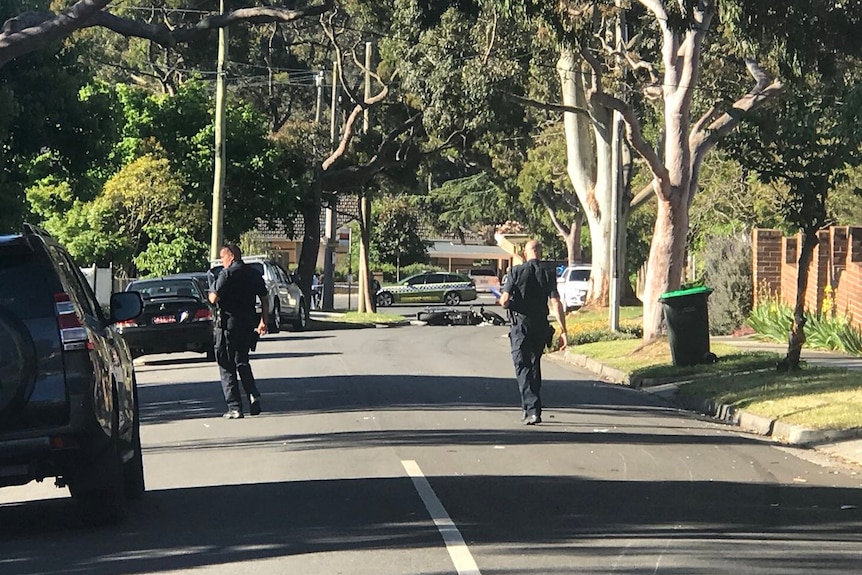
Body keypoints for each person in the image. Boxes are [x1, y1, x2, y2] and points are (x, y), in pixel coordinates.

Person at [499, 239, 568, 425]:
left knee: (522, 367)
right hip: (540, 326)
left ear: (525, 252)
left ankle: (532, 410)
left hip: (520, 326)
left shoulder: (515, 272)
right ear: (540, 252)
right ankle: (529, 407)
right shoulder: (548, 272)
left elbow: (504, 300)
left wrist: (506, 302)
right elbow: (555, 303)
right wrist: (564, 330)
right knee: (534, 365)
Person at [209, 243, 269, 419]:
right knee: (242, 361)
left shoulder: (226, 274)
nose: (222, 261)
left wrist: (211, 288)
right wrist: (263, 321)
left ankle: (234, 407)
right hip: (247, 324)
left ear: (232, 256)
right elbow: (265, 299)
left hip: (227, 326)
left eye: (223, 257)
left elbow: (213, 298)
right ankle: (253, 394)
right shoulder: (254, 274)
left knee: (226, 365)